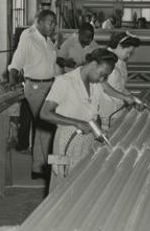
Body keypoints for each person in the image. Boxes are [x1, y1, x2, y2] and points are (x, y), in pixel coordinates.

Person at [40, 48, 141, 190]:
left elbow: (106, 89)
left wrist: (125, 97)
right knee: (62, 185)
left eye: (105, 77)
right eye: (101, 74)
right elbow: (45, 113)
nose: (101, 79)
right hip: (67, 140)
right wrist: (76, 122)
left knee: (81, 183)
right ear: (93, 64)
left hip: (87, 139)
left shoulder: (96, 82)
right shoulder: (65, 82)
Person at [7, 10, 59, 179]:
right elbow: (15, 64)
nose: (52, 26)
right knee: (48, 124)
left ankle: (38, 167)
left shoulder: (48, 40)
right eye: (49, 23)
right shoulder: (28, 38)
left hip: (50, 85)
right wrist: (12, 82)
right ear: (40, 22)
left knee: (43, 127)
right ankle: (46, 167)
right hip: (35, 87)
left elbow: (50, 63)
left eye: (54, 23)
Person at [99, 31, 142, 124]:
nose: (128, 56)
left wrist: (130, 96)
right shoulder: (105, 60)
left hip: (116, 109)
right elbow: (104, 87)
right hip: (106, 111)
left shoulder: (120, 61)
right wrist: (125, 97)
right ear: (119, 46)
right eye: (127, 52)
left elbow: (119, 86)